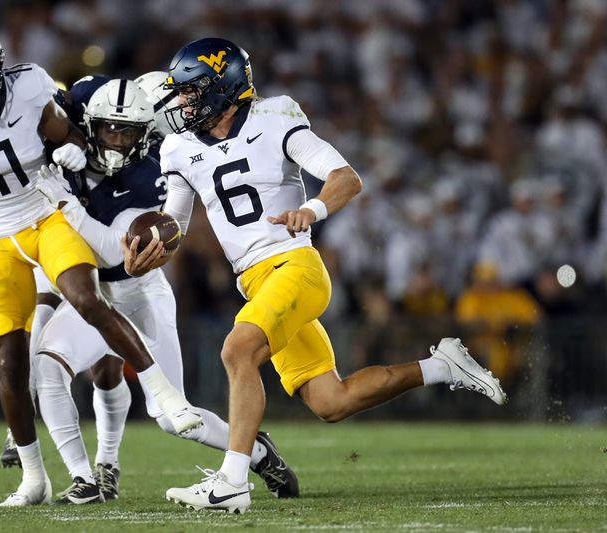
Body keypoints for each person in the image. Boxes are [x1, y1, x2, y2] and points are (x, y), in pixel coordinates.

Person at [122, 37, 507, 514]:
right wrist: (151, 251)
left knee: (237, 349)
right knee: (332, 401)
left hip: (295, 267)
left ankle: (232, 483)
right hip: (257, 282)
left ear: (222, 86)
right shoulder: (179, 148)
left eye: (191, 91)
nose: (182, 103)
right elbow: (174, 227)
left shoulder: (275, 117)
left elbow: (346, 177)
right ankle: (442, 366)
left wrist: (311, 209)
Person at [0, 17, 201, 507]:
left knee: (87, 299)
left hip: (47, 215)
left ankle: (160, 394)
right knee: (10, 362)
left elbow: (71, 137)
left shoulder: (30, 85)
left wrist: (71, 151)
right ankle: (33, 477)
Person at [8, 76, 299, 504]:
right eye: (109, 129)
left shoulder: (150, 175)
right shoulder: (88, 102)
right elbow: (43, 102)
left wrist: (65, 203)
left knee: (170, 416)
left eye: (129, 134)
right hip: (92, 298)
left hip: (138, 292)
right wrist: (61, 139)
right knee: (49, 368)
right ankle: (85, 477)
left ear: (146, 136)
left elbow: (113, 253)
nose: (117, 140)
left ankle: (257, 452)